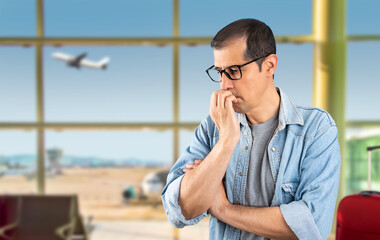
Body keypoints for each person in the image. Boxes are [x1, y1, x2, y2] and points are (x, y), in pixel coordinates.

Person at [161, 18, 341, 240]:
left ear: (269, 65)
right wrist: (226, 142)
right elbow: (180, 211)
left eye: (234, 71)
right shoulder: (213, 126)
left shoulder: (316, 130)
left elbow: (311, 227)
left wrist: (224, 209)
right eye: (219, 72)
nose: (224, 85)